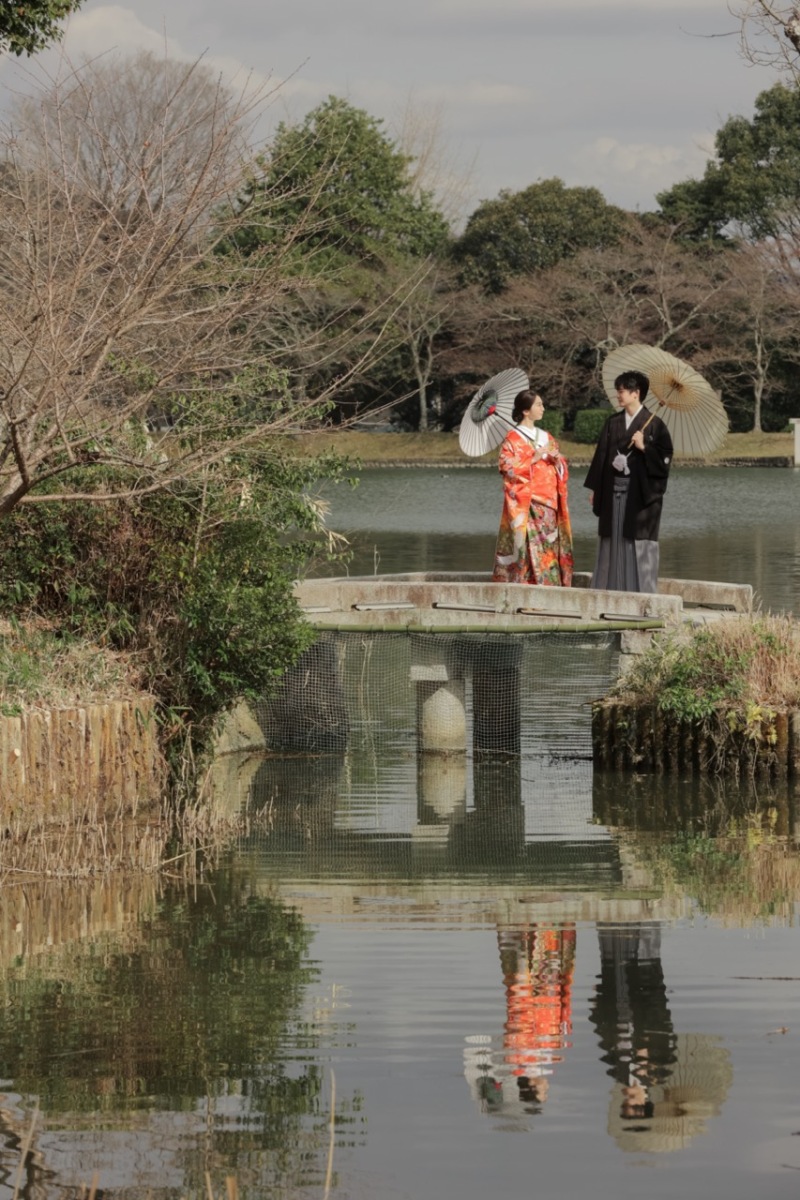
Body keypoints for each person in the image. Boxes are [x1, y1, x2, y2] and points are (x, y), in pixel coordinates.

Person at [583, 369, 673, 594]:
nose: (618, 395)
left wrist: (645, 448)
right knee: (611, 538)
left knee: (638, 541)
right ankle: (607, 591)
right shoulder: (612, 422)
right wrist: (595, 487)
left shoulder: (655, 425)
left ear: (636, 393)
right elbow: (601, 456)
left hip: (640, 494)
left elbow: (664, 460)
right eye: (618, 391)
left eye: (622, 391)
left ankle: (641, 595)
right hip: (613, 490)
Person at [492, 389, 573, 586]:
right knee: (525, 549)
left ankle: (550, 589)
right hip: (526, 502)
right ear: (526, 411)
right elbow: (506, 467)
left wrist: (557, 459)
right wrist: (532, 458)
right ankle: (525, 592)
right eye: (538, 405)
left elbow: (562, 465)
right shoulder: (512, 439)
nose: (543, 408)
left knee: (548, 546)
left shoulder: (546, 436)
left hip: (548, 502)